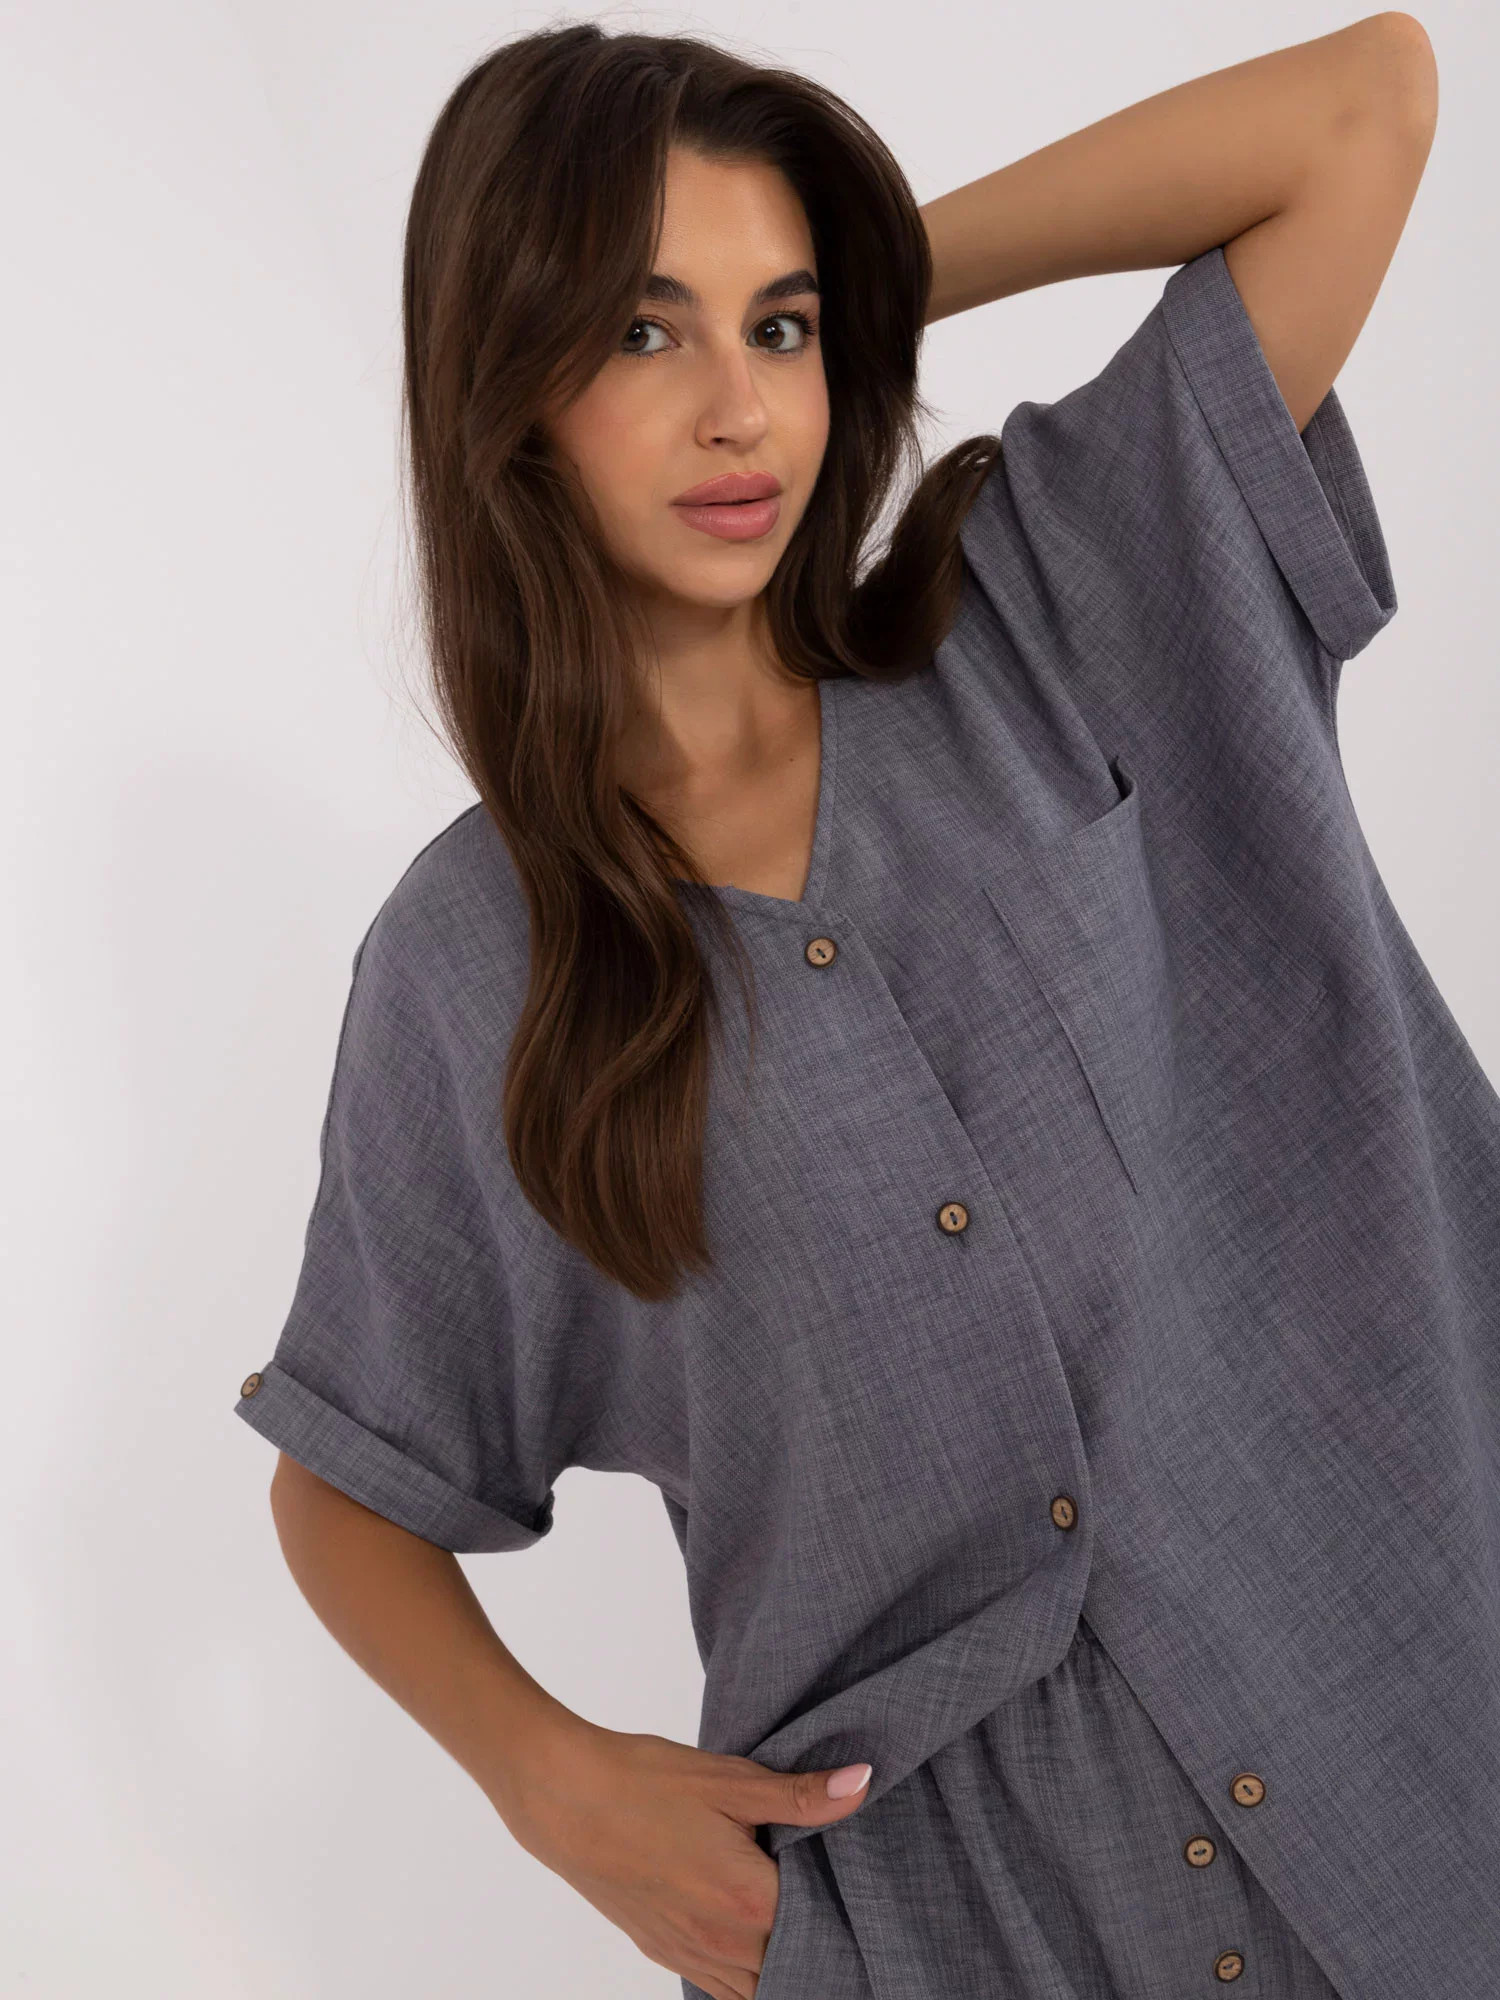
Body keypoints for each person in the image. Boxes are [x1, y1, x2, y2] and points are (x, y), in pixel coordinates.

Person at [231, 15, 1487, 1998]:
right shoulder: (478, 962)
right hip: (958, 1920)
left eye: (782, 326)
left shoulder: (1050, 614)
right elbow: (346, 1479)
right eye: (643, 333)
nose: (741, 409)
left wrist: (881, 280)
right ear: (509, 380)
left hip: (1418, 1754)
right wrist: (548, 1781)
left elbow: (1367, 104)